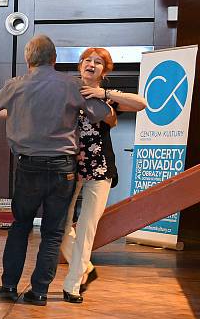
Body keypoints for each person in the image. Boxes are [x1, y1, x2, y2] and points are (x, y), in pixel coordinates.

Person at [0, 34, 110, 306]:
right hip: (63, 167)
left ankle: (8, 286)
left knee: (20, 226)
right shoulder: (71, 85)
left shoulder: (17, 84)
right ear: (54, 60)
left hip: (28, 166)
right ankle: (39, 291)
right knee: (53, 232)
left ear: (28, 59)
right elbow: (100, 113)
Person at [59, 48, 146, 303]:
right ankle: (85, 269)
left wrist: (103, 94)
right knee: (59, 226)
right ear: (80, 65)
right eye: (88, 60)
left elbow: (142, 103)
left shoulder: (108, 98)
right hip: (69, 167)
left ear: (104, 71)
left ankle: (73, 284)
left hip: (100, 167)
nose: (92, 64)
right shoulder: (67, 91)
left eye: (99, 62)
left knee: (87, 227)